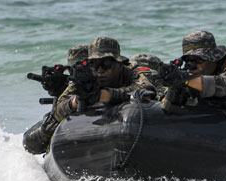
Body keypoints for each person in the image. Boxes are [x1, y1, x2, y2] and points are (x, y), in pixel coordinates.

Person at [22, 37, 154, 155]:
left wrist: (105, 95)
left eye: (106, 64)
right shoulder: (86, 77)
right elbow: (60, 108)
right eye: (94, 64)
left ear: (119, 63)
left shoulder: (131, 71)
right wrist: (75, 101)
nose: (100, 70)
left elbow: (146, 89)